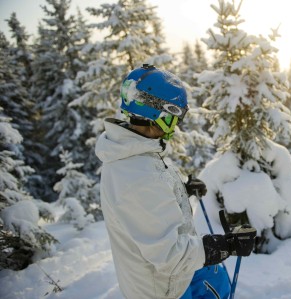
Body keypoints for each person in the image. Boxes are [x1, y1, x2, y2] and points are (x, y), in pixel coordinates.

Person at [95, 64, 257, 299]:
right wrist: (226, 246)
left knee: (218, 280)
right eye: (174, 116)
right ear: (156, 113)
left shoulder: (136, 150)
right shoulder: (138, 176)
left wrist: (182, 189)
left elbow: (151, 204)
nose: (176, 124)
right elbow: (169, 256)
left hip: (180, 270)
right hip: (164, 288)